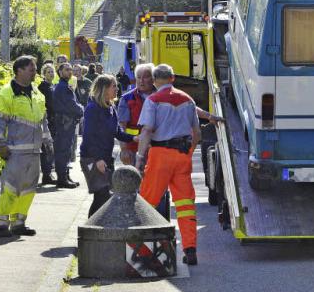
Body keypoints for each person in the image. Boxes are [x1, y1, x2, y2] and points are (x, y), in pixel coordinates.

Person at [136, 64, 201, 265]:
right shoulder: (188, 100)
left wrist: (140, 157)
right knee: (185, 205)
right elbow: (197, 133)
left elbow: (147, 131)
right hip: (182, 155)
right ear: (173, 78)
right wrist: (188, 153)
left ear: (155, 81)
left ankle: (143, 250)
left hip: (160, 155)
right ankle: (190, 250)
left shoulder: (153, 100)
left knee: (147, 201)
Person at [0, 55, 52, 237]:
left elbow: (43, 123)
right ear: (19, 71)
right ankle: (2, 223)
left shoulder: (38, 95)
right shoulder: (5, 94)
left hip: (34, 151)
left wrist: (48, 142)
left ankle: (19, 223)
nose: (35, 72)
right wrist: (1, 144)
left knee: (28, 190)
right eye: (31, 69)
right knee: (10, 188)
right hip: (14, 151)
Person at [119, 64, 223, 166]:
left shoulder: (161, 95)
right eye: (138, 77)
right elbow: (122, 126)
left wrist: (209, 116)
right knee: (137, 180)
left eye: (145, 77)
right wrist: (124, 149)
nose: (141, 81)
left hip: (158, 149)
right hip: (134, 149)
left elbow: (188, 107)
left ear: (153, 79)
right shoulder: (127, 99)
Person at [80, 74, 136, 217]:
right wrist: (98, 159)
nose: (117, 88)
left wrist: (134, 138)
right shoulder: (93, 109)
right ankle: (90, 232)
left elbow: (117, 132)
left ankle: (97, 231)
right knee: (102, 196)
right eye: (114, 86)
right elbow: (88, 137)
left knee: (105, 197)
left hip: (106, 158)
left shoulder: (111, 107)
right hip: (92, 159)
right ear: (104, 89)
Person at [52, 63, 84, 189]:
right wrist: (81, 109)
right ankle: (62, 179)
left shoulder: (65, 86)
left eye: (70, 70)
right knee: (63, 151)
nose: (70, 72)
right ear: (60, 72)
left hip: (67, 123)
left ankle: (65, 176)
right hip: (64, 123)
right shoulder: (62, 87)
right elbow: (72, 105)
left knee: (67, 150)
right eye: (66, 70)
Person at [38, 63, 57, 185]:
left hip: (54, 121)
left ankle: (48, 172)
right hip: (47, 121)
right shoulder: (43, 87)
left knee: (51, 148)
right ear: (43, 74)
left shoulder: (53, 86)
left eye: (52, 71)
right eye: (48, 72)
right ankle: (46, 174)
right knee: (46, 148)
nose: (51, 73)